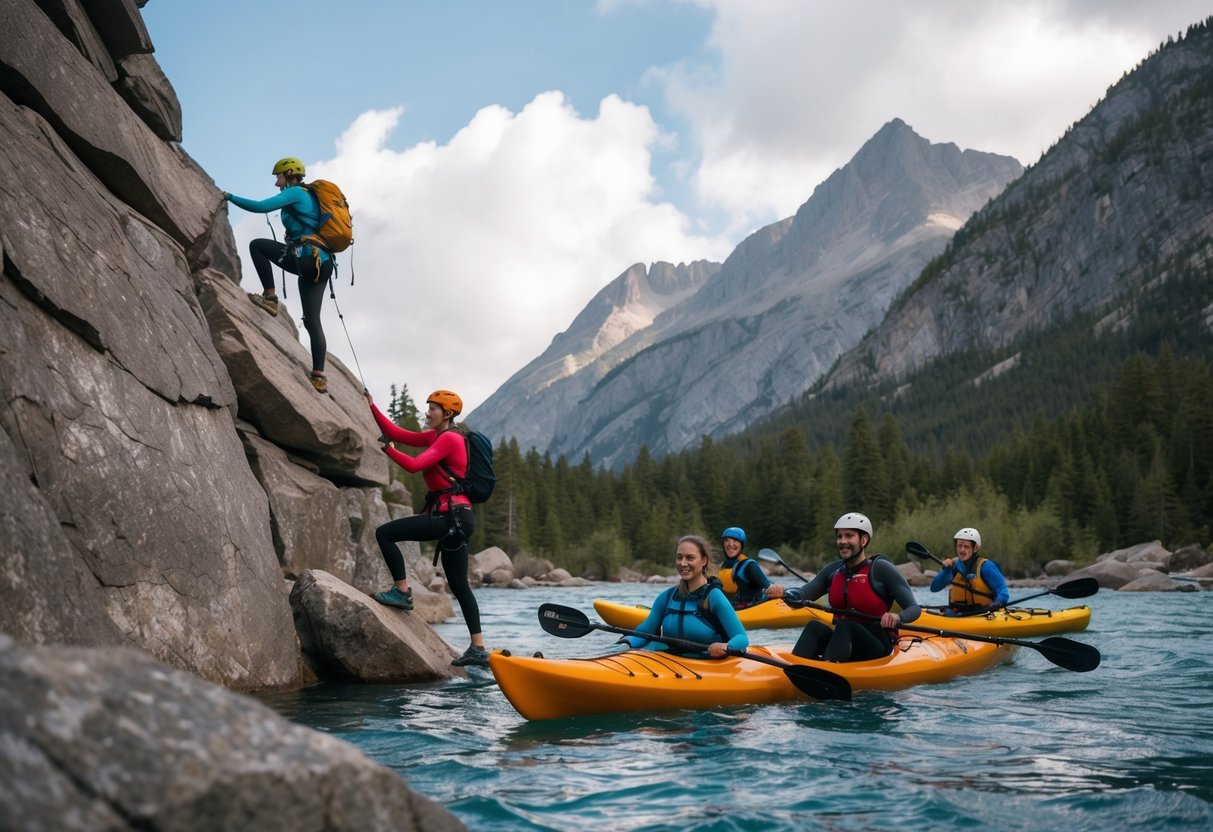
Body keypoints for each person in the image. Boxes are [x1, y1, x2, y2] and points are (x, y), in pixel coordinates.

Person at [365, 388, 489, 668]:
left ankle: (402, 593)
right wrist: (372, 406)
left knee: (385, 533)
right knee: (459, 585)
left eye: (433, 408)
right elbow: (399, 433)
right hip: (459, 517)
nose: (427, 412)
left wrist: (388, 450)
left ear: (447, 414)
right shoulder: (438, 436)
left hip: (451, 517)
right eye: (428, 407)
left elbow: (414, 464)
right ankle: (478, 648)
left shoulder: (449, 439)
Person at [224, 157, 333, 393]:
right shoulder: (311, 198)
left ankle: (270, 299)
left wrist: (229, 197)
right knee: (312, 319)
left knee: (257, 246)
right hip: (322, 263)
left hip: (306, 257)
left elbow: (262, 206)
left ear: (289, 174)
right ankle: (319, 376)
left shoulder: (296, 193)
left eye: (278, 177)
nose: (276, 183)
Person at [768, 512, 921, 662]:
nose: (842, 541)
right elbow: (804, 593)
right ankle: (795, 668)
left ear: (863, 540)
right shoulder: (832, 570)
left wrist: (898, 617)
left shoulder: (881, 569)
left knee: (846, 625)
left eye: (849, 536)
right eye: (839, 536)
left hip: (878, 645)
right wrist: (785, 592)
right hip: (844, 642)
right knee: (814, 627)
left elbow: (914, 608)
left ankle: (827, 671)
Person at [622, 535, 749, 658]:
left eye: (690, 558)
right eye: (679, 557)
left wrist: (726, 646)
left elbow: (742, 638)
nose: (683, 563)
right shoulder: (666, 598)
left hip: (707, 665)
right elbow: (644, 632)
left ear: (704, 561)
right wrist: (625, 643)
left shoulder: (714, 597)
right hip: (672, 664)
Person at [929, 527, 1010, 615]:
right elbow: (934, 588)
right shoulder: (954, 566)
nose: (962, 550)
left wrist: (998, 603)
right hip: (957, 613)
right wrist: (945, 570)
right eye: (959, 545)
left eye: (966, 546)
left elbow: (1003, 591)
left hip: (983, 614)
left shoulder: (986, 567)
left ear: (975, 548)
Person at [717, 526, 775, 609]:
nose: (730, 544)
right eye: (727, 540)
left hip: (749, 608)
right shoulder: (721, 566)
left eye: (735, 540)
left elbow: (768, 586)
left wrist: (776, 589)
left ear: (741, 545)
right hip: (727, 608)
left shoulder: (749, 565)